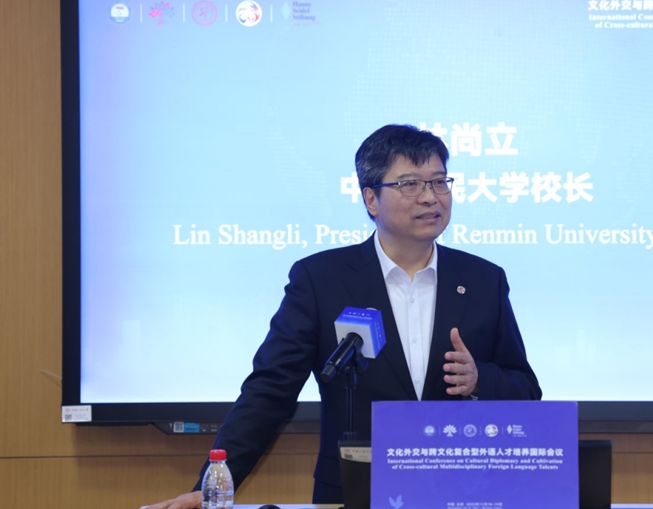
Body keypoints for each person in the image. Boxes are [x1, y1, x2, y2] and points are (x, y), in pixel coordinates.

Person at [144, 124, 541, 508]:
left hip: (462, 491)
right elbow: (269, 391)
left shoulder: (483, 280)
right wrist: (210, 488)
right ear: (371, 199)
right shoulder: (321, 280)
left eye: (439, 182)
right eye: (410, 184)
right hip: (354, 493)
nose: (430, 197)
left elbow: (525, 388)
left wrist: (479, 379)